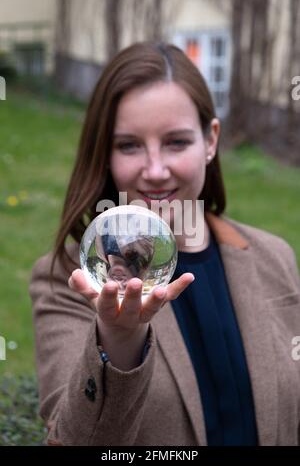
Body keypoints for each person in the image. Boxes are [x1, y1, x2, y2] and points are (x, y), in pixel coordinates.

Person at [29, 42, 300, 446]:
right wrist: (117, 340)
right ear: (105, 154)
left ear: (210, 141)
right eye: (129, 145)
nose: (155, 170)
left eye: (176, 142)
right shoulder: (71, 282)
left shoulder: (274, 257)